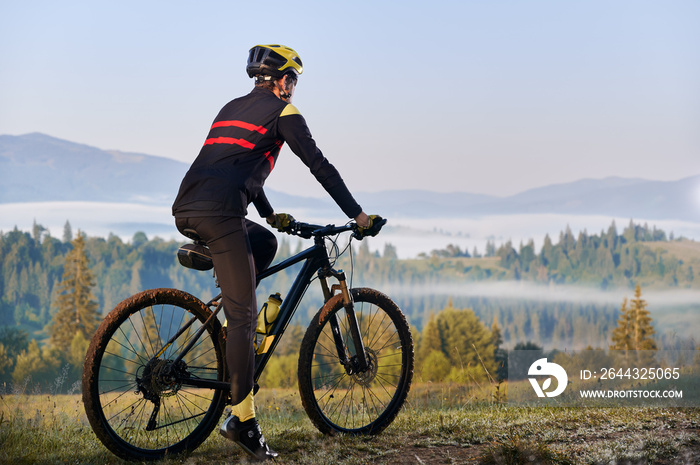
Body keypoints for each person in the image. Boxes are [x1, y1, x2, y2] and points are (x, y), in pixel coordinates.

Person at [172, 44, 375, 460]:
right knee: (244, 317)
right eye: (294, 80)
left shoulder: (232, 106)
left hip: (187, 208)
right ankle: (242, 421)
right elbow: (320, 166)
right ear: (283, 81)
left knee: (264, 242)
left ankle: (232, 300)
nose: (295, 89)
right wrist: (357, 215)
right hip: (221, 213)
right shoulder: (284, 113)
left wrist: (268, 215)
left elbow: (236, 163)